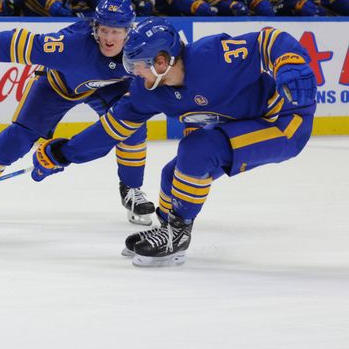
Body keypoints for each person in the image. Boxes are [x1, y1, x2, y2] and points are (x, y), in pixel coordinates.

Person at [29, 17, 317, 266]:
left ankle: (178, 233)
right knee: (172, 173)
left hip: (283, 120)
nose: (133, 73)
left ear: (162, 60)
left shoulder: (212, 57)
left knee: (197, 150)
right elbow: (111, 129)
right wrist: (64, 153)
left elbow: (269, 40)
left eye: (138, 64)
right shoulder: (147, 92)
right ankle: (168, 228)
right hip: (241, 121)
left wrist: (290, 61)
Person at [0, 0, 155, 226]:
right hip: (58, 87)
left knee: (133, 124)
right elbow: (19, 44)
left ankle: (132, 190)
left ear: (129, 31)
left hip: (110, 88)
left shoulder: (140, 47)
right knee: (16, 139)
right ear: (95, 28)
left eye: (116, 32)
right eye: (105, 30)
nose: (109, 38)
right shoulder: (72, 44)